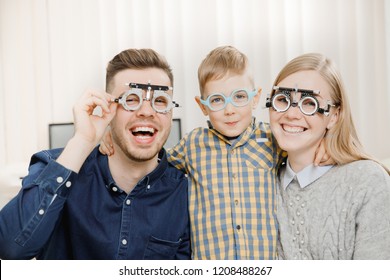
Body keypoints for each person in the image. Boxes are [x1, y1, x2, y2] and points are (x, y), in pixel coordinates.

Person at [100, 46, 330, 259]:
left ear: (255, 98)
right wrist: (110, 134)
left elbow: (303, 147)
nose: (229, 110)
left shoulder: (271, 140)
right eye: (217, 100)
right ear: (203, 106)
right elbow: (150, 156)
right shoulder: (193, 145)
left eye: (239, 97)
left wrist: (326, 145)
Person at [0, 48, 191, 260]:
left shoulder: (185, 191)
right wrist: (83, 141)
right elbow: (10, 249)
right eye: (131, 99)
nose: (146, 111)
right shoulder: (55, 167)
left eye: (161, 101)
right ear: (108, 105)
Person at [266, 53, 390, 259]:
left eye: (309, 103)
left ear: (334, 116)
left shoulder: (368, 182)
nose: (291, 114)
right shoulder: (259, 178)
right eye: (283, 99)